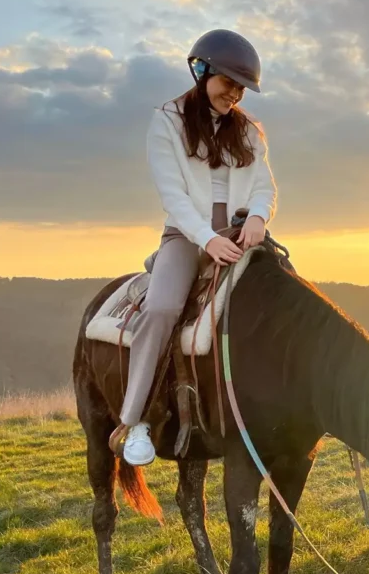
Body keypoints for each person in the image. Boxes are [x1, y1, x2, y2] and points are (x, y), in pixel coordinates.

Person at [119, 29, 277, 466]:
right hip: (188, 235)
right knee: (162, 309)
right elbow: (173, 195)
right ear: (202, 70)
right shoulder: (167, 121)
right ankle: (135, 422)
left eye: (241, 88)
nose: (235, 94)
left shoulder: (249, 131)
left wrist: (258, 217)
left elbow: (264, 186)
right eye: (229, 82)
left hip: (240, 232)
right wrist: (207, 239)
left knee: (286, 295)